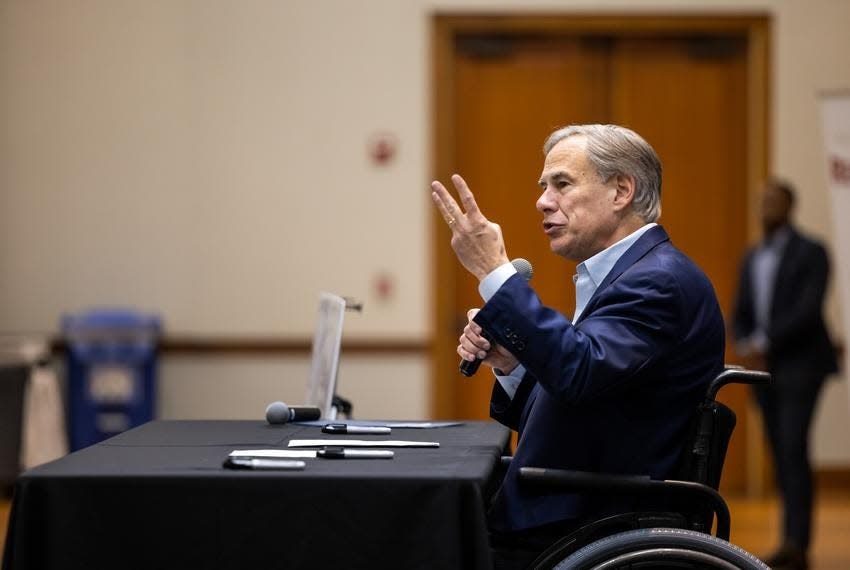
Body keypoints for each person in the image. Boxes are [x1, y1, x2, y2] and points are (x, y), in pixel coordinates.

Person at [431, 124, 726, 569]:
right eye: (544, 186)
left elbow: (578, 372)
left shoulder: (657, 281)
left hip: (592, 516)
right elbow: (586, 391)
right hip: (577, 501)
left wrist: (494, 270)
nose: (543, 201)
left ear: (621, 191)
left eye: (562, 184)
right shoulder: (630, 273)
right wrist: (512, 365)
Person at [732, 179, 837, 570]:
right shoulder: (753, 255)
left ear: (790, 206)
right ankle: (789, 540)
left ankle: (797, 544)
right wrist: (745, 342)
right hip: (764, 372)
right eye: (762, 202)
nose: (766, 208)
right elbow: (740, 309)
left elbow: (808, 310)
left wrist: (765, 342)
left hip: (801, 367)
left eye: (774, 201)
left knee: (794, 450)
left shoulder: (812, 252)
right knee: (780, 453)